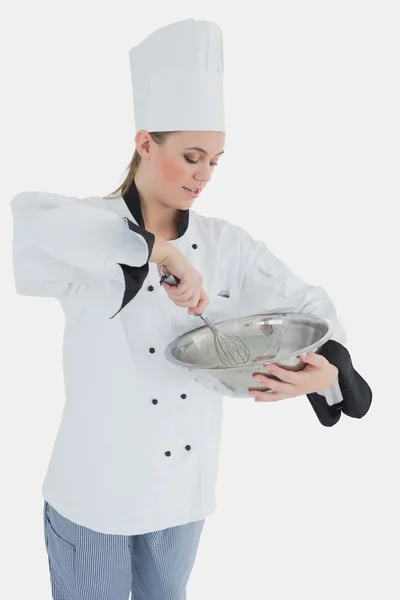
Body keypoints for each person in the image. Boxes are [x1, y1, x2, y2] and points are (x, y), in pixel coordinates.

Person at [10, 18, 372, 600]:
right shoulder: (89, 229)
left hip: (182, 493)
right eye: (192, 156)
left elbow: (309, 306)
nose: (204, 176)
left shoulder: (227, 244)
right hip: (93, 490)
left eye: (216, 161)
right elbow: (27, 222)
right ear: (145, 144)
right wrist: (156, 249)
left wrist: (328, 369)